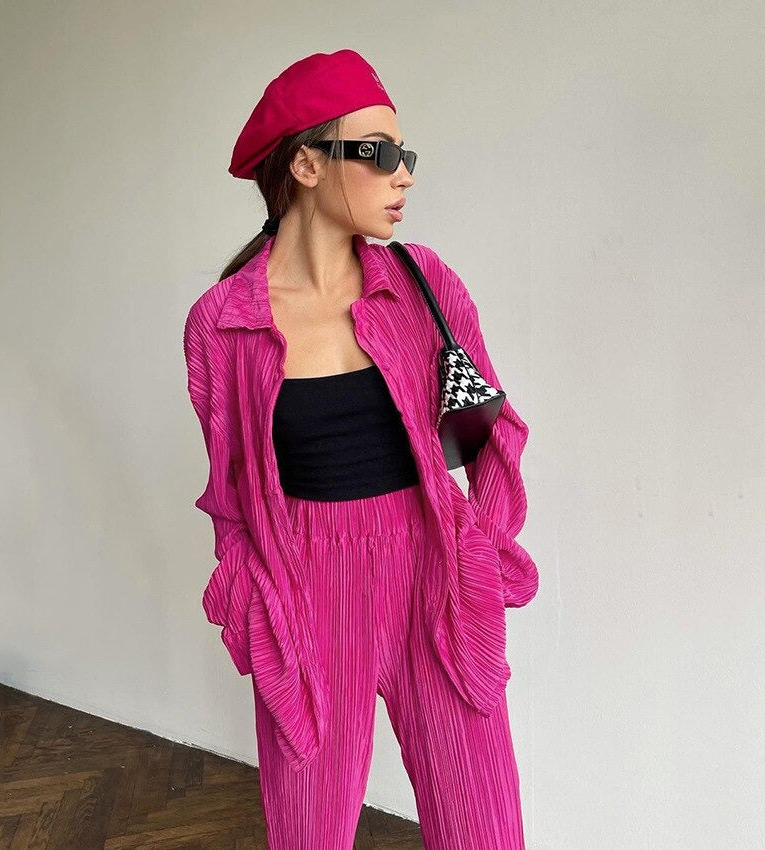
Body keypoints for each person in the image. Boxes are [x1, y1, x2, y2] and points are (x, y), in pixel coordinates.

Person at [183, 48, 539, 850]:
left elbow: (490, 435)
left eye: (405, 154)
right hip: (306, 590)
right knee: (309, 833)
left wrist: (477, 553)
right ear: (306, 165)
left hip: (434, 575)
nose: (402, 175)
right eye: (377, 153)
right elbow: (231, 492)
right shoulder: (223, 323)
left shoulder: (423, 284)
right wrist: (254, 599)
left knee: (485, 830)